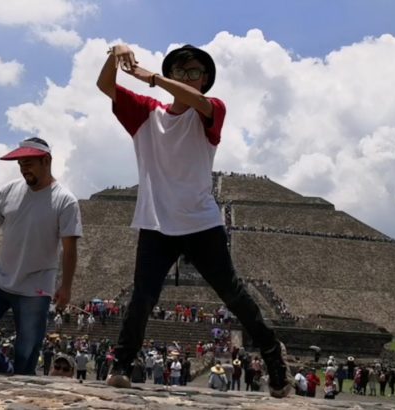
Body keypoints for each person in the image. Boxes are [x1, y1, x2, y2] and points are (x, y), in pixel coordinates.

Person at [96, 42, 293, 398]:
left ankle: (272, 354)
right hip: (157, 222)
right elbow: (105, 86)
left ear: (204, 81)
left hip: (201, 222)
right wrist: (115, 54)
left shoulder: (211, 110)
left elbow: (198, 102)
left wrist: (153, 78)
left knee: (232, 293)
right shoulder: (145, 113)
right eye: (180, 71)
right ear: (172, 73)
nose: (188, 77)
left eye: (194, 73)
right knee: (142, 296)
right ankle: (122, 363)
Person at [0, 137, 82, 375]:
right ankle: (1, 371)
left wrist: (66, 287)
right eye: (20, 164)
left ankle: (21, 386)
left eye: (28, 163)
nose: (23, 169)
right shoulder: (10, 190)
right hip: (0, 276)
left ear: (47, 161)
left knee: (27, 349)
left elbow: (70, 249)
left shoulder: (65, 201)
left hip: (36, 282)